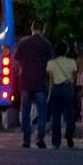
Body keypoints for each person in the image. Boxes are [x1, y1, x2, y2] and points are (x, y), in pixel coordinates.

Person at [13, 20, 55, 148]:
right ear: (43, 29)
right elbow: (51, 65)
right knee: (41, 113)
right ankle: (40, 138)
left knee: (25, 112)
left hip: (25, 82)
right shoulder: (46, 44)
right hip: (40, 83)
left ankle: (26, 139)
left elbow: (16, 61)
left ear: (31, 28)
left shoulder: (23, 43)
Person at [47, 41, 79, 150]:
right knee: (70, 114)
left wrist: (49, 94)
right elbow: (74, 78)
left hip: (56, 89)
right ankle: (69, 133)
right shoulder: (72, 62)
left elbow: (51, 80)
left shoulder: (51, 63)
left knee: (56, 116)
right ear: (66, 51)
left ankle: (56, 141)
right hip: (67, 88)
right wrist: (72, 90)